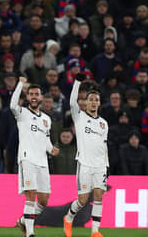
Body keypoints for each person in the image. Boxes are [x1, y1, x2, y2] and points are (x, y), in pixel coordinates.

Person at [10, 77, 59, 237]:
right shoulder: (22, 113)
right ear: (27, 96)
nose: (34, 96)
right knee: (30, 195)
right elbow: (12, 105)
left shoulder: (46, 119)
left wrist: (51, 149)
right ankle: (30, 232)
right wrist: (20, 85)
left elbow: (45, 140)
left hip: (42, 162)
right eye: (31, 94)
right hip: (27, 159)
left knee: (44, 201)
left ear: (41, 97)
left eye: (36, 94)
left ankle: (24, 220)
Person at [64, 73, 109, 237]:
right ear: (86, 102)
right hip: (84, 163)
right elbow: (71, 102)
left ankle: (95, 231)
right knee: (82, 200)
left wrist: (107, 165)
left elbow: (104, 146)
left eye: (96, 100)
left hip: (100, 165)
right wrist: (77, 82)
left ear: (99, 103)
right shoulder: (79, 117)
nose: (94, 102)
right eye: (91, 99)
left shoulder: (104, 123)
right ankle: (68, 218)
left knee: (98, 197)